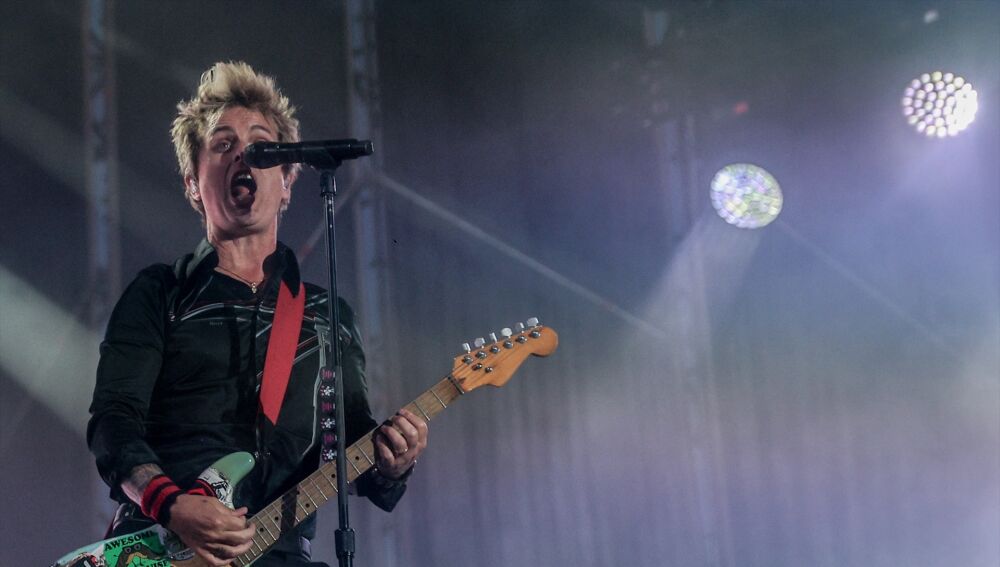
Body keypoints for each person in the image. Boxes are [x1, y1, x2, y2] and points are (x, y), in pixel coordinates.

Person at [87, 61, 428, 566]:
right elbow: (113, 424)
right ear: (193, 183)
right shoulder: (160, 294)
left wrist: (393, 462)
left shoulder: (326, 315)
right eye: (223, 144)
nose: (243, 154)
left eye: (260, 145)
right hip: (162, 546)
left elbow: (348, 454)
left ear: (287, 180)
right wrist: (172, 504)